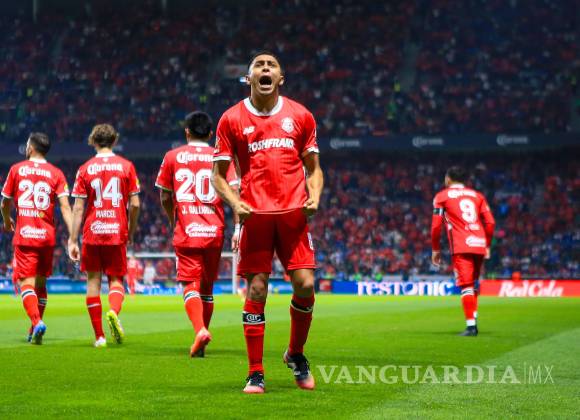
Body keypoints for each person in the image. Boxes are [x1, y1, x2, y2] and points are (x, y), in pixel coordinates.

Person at [212, 51, 324, 393]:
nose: (265, 68)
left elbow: (314, 169)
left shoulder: (300, 115)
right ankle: (255, 372)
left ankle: (295, 353)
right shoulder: (231, 118)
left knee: (305, 284)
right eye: (258, 65)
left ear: (280, 78)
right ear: (249, 78)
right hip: (256, 217)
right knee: (257, 289)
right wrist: (235, 203)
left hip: (293, 217)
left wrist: (315, 196)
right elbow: (217, 175)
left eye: (271, 65)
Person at [156, 111, 238, 357]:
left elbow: (165, 196)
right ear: (211, 134)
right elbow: (235, 195)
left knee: (189, 284)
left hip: (187, 229)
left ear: (186, 132)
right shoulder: (220, 157)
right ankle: (201, 338)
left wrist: (173, 219)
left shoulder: (172, 156)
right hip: (214, 231)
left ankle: (200, 330)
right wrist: (238, 228)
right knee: (207, 288)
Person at [68, 124, 140, 348]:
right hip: (117, 231)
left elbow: (78, 207)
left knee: (93, 281)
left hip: (93, 232)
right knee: (116, 280)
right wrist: (131, 230)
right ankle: (113, 312)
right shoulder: (127, 166)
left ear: (92, 141)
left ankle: (99, 337)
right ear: (114, 141)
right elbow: (135, 204)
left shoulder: (84, 169)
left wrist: (72, 239)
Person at [1, 133, 73, 344]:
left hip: (25, 236)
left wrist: (6, 220)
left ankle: (37, 322)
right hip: (46, 238)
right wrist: (73, 236)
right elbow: (65, 207)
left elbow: (4, 203)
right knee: (41, 285)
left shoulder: (16, 169)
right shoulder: (56, 173)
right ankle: (34, 330)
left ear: (31, 148)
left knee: (27, 284)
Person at [431, 166, 495, 336]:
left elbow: (436, 226)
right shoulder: (477, 196)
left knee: (466, 285)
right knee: (472, 285)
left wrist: (435, 249)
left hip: (461, 245)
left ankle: (471, 327)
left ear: (448, 179)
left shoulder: (441, 196)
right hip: (479, 243)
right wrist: (487, 245)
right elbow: (490, 223)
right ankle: (474, 320)